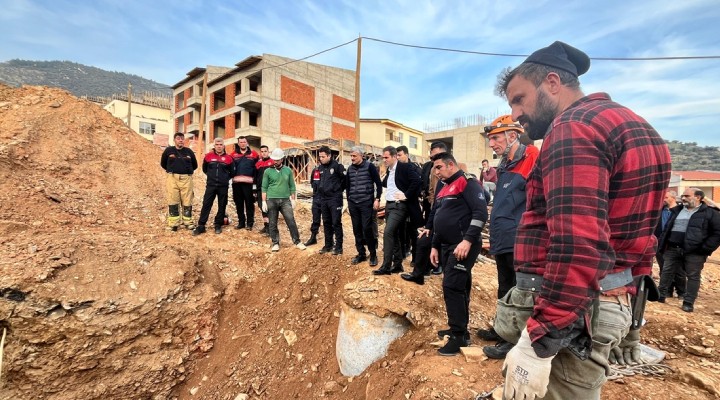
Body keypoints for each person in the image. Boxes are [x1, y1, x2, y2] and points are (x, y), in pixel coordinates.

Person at [493, 41, 671, 400]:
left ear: (552, 82)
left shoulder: (573, 128)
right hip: (607, 302)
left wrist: (540, 342)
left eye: (519, 99)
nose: (515, 114)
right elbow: (644, 235)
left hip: (577, 311)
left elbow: (577, 243)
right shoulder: (641, 128)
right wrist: (632, 321)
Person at [475, 115, 539, 360]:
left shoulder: (531, 157)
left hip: (519, 237)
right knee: (504, 285)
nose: (491, 144)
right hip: (503, 236)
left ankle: (511, 340)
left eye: (495, 138)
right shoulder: (505, 164)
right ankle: (502, 329)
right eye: (490, 139)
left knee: (518, 289)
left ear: (513, 135)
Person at [428, 152, 488, 355]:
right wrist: (434, 245)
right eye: (434, 169)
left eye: (439, 167)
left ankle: (459, 336)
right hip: (446, 245)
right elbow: (438, 217)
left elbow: (480, 213)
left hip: (462, 245)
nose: (436, 172)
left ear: (451, 165)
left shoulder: (467, 182)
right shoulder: (444, 187)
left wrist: (467, 240)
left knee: (452, 286)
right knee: (459, 285)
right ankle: (460, 329)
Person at [657, 187, 720, 312]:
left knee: (693, 276)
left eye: (687, 196)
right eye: (683, 196)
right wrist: (663, 244)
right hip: (673, 248)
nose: (683, 198)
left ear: (698, 197)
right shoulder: (677, 210)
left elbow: (717, 233)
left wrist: (705, 248)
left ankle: (688, 302)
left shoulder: (710, 213)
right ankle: (660, 296)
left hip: (695, 252)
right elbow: (667, 228)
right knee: (666, 272)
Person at [401, 141, 449, 284]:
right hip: (432, 206)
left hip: (447, 213)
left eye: (437, 155)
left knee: (439, 239)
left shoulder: (456, 174)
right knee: (425, 238)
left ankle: (438, 265)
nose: (434, 160)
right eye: (432, 156)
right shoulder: (430, 167)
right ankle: (421, 272)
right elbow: (427, 186)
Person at [373, 146, 422, 275]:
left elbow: (417, 181)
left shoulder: (405, 167)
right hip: (389, 205)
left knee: (388, 232)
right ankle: (398, 264)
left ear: (394, 156)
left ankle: (386, 266)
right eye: (383, 157)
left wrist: (406, 195)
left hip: (399, 206)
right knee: (394, 235)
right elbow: (387, 185)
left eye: (387, 157)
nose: (384, 160)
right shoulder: (389, 170)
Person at [261, 148, 306, 252]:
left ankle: (297, 241)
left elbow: (292, 186)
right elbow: (264, 187)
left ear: (282, 159)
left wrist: (293, 199)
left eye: (277, 160)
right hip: (271, 200)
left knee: (291, 221)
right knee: (272, 222)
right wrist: (263, 201)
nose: (275, 161)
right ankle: (275, 243)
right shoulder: (267, 171)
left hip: (285, 200)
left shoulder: (288, 170)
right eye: (274, 160)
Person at [346, 146, 383, 266]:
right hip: (353, 203)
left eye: (354, 156)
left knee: (367, 229)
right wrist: (349, 201)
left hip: (366, 203)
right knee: (356, 229)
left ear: (361, 156)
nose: (352, 158)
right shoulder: (350, 169)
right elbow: (348, 186)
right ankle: (361, 254)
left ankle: (373, 255)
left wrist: (377, 199)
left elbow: (378, 184)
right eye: (351, 156)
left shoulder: (370, 166)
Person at [193, 138, 235, 236]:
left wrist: (224, 179)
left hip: (223, 186)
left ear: (223, 146)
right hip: (211, 185)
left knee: (222, 205)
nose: (219, 146)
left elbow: (232, 172)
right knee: (206, 204)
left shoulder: (229, 158)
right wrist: (211, 177)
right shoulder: (208, 156)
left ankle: (218, 224)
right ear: (214, 146)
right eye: (217, 144)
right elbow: (205, 169)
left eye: (221, 144)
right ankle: (201, 225)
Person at [160, 132, 198, 231]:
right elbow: (163, 163)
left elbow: (195, 165)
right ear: (174, 140)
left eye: (182, 138)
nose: (180, 140)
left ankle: (188, 222)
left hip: (187, 179)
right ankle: (174, 224)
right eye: (178, 138)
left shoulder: (189, 151)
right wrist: (172, 170)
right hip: (172, 178)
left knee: (187, 200)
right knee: (173, 200)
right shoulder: (169, 150)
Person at [314, 146, 346, 255]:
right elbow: (316, 182)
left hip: (335, 199)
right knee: (326, 222)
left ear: (329, 156)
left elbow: (345, 180)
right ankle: (328, 245)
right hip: (323, 199)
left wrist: (337, 190)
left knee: (336, 222)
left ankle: (339, 247)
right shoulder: (320, 168)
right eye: (320, 157)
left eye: (323, 157)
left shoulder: (337, 166)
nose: (321, 159)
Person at [654, 190, 685, 298]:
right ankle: (667, 291)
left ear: (673, 198)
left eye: (666, 197)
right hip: (660, 243)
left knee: (678, 270)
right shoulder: (660, 211)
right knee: (663, 268)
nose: (663, 199)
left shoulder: (681, 211)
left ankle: (681, 292)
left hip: (674, 243)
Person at [397, 145, 422, 264]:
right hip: (400, 204)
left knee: (413, 231)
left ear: (406, 155)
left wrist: (407, 194)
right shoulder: (396, 169)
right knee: (401, 230)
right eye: (396, 155)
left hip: (412, 203)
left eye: (400, 155)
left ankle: (415, 257)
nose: (398, 157)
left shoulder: (415, 168)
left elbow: (419, 184)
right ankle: (403, 252)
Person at [230, 136, 259, 230]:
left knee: (249, 204)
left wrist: (255, 183)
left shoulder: (254, 154)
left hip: (249, 184)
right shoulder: (233, 155)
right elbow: (230, 168)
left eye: (244, 142)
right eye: (241, 142)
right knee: (239, 204)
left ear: (247, 143)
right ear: (238, 144)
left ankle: (250, 223)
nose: (243, 144)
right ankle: (241, 223)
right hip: (236, 184)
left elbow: (257, 168)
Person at [255, 145, 275, 235]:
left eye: (265, 151)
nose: (263, 153)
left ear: (268, 152)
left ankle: (272, 228)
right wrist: (254, 190)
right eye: (262, 151)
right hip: (260, 190)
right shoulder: (258, 164)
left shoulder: (273, 163)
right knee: (262, 208)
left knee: (270, 208)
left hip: (270, 189)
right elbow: (255, 178)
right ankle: (266, 226)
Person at [304, 161, 323, 246]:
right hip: (316, 198)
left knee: (328, 220)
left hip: (327, 199)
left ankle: (331, 240)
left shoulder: (331, 170)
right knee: (315, 219)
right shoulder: (315, 170)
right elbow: (312, 183)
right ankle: (313, 237)